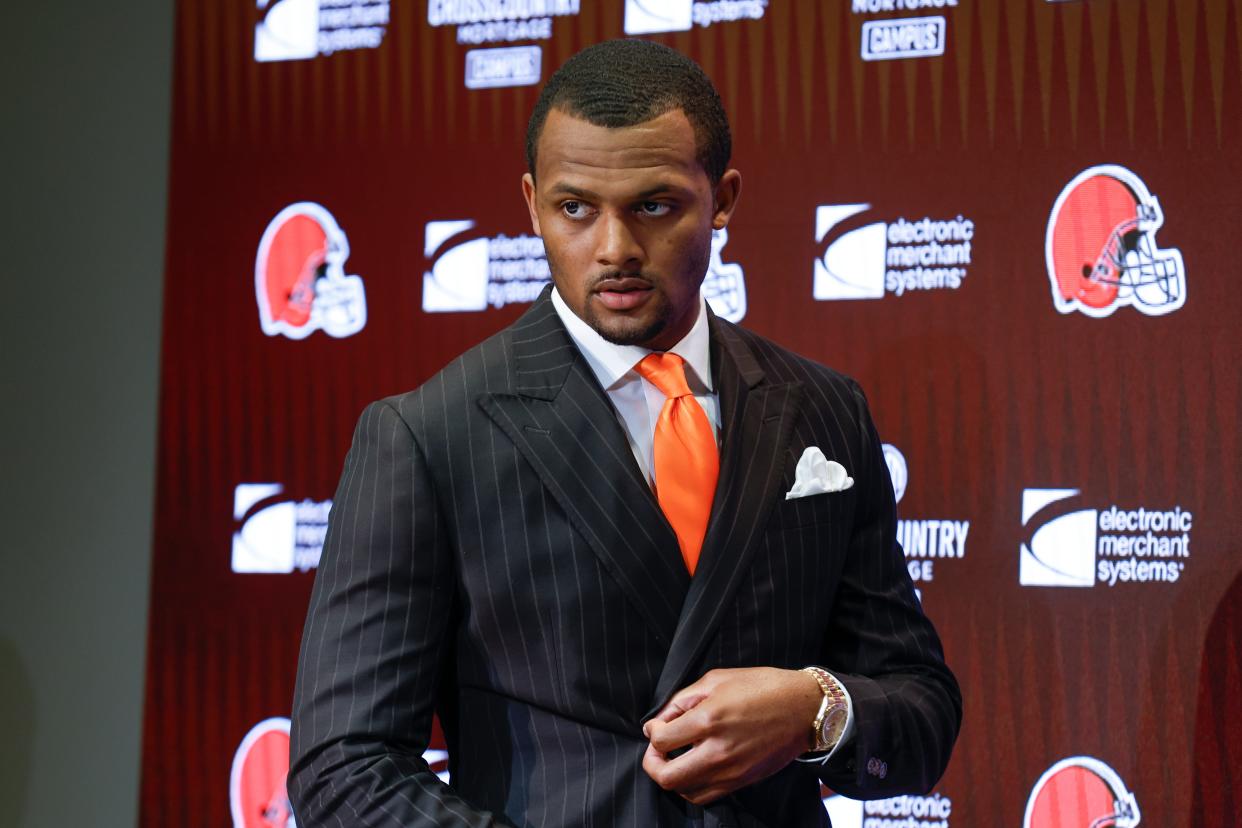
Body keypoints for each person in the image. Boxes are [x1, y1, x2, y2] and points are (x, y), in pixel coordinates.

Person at [288, 39, 961, 827]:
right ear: (532, 203)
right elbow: (344, 768)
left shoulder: (823, 409)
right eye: (576, 208)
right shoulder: (428, 435)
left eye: (654, 206)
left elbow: (920, 711)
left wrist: (815, 710)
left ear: (724, 199)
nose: (614, 249)